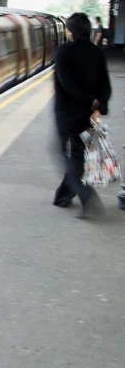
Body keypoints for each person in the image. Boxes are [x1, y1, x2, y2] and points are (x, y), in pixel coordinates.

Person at [53, 13, 112, 219]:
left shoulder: (63, 51)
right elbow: (106, 85)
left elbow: (66, 84)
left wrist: (89, 100)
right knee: (77, 154)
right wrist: (98, 106)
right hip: (86, 115)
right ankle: (62, 196)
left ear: (70, 31)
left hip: (66, 113)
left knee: (61, 152)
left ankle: (88, 199)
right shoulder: (97, 53)